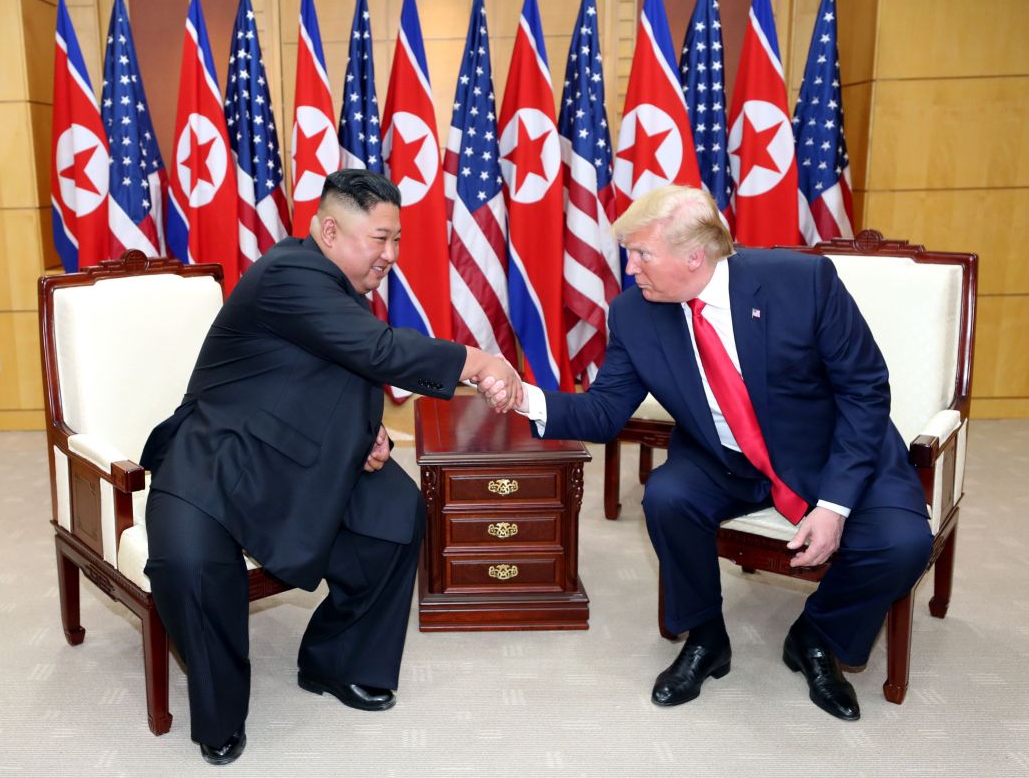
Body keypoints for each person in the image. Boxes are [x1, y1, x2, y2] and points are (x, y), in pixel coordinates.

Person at [483, 184, 932, 721]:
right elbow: (604, 412)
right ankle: (706, 636)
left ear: (695, 256)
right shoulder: (634, 313)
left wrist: (834, 505)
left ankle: (817, 636)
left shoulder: (802, 283)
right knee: (667, 497)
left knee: (902, 544)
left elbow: (865, 391)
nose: (630, 268)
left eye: (642, 254)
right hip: (725, 457)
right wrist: (523, 397)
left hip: (831, 450)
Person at [140, 169, 519, 765]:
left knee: (396, 514)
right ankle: (219, 716)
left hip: (304, 453)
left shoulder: (341, 286)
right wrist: (480, 361)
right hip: (220, 455)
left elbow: (344, 371)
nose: (391, 255)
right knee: (191, 566)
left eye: (397, 240)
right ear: (329, 230)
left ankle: (335, 662)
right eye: (380, 239)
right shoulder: (289, 272)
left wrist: (369, 435)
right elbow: (376, 350)